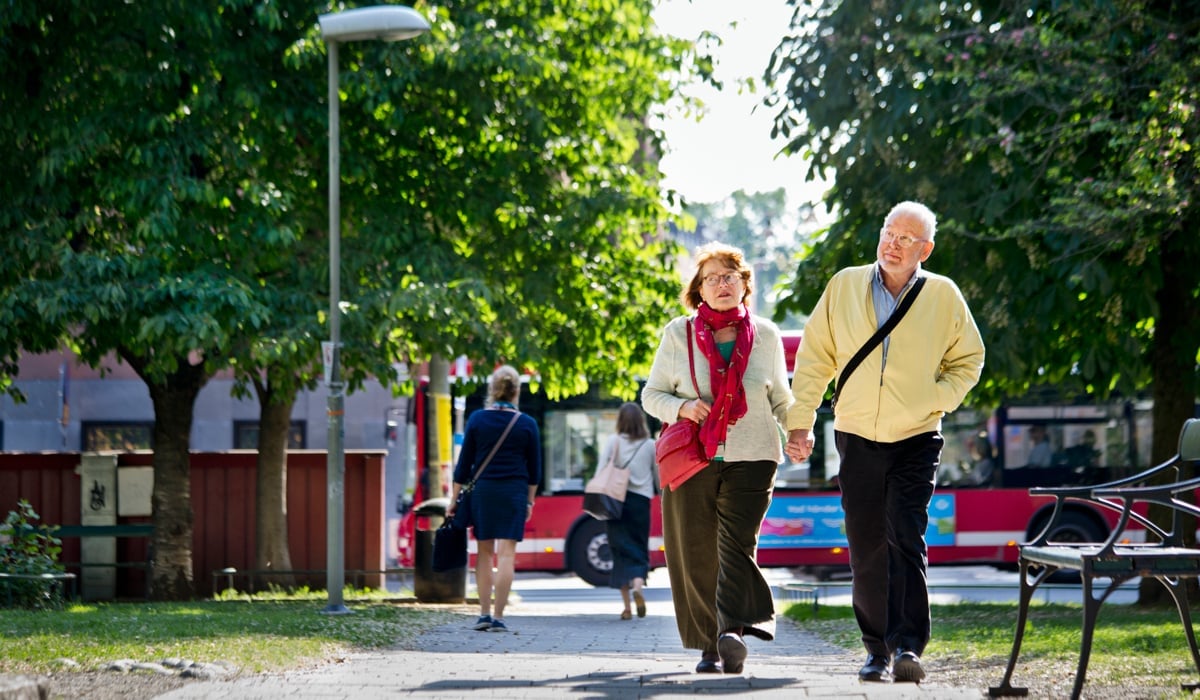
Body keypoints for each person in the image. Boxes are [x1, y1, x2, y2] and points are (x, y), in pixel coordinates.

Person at [784, 201, 985, 684]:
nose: (893, 244)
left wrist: (932, 400)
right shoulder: (845, 285)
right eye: (888, 233)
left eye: (906, 238)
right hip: (856, 435)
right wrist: (800, 422)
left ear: (926, 249)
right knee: (866, 546)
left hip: (917, 437)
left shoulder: (943, 295)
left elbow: (969, 360)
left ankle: (909, 646)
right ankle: (876, 649)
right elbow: (814, 359)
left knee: (906, 538)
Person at [642, 241, 793, 675]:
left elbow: (780, 398)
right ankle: (712, 645)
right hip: (694, 457)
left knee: (737, 545)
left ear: (744, 284)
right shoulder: (678, 333)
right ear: (699, 289)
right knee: (696, 551)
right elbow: (651, 395)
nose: (722, 284)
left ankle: (733, 632)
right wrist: (682, 408)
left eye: (730, 276)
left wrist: (798, 430)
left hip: (756, 454)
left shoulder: (765, 334)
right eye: (712, 278)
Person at [448, 364, 541, 633]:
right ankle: (500, 617)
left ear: (492, 389)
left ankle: (484, 614)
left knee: (484, 553)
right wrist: (529, 502)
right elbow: (535, 471)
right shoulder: (527, 423)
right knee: (507, 555)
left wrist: (453, 499)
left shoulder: (477, 419)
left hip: (484, 492)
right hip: (514, 492)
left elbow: (463, 466)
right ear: (516, 392)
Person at [599, 402, 657, 621]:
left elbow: (601, 470)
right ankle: (638, 587)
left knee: (619, 550)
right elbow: (657, 476)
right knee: (639, 548)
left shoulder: (613, 442)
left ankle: (626, 608)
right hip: (641, 502)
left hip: (615, 502)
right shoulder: (650, 445)